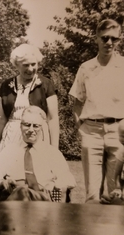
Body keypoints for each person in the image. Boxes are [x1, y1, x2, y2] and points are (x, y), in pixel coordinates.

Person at [69, 19, 124, 203]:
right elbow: (77, 101)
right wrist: (81, 129)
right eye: (105, 38)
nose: (109, 43)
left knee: (115, 195)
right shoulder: (86, 68)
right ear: (96, 39)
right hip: (91, 132)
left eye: (114, 39)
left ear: (119, 40)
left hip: (118, 132)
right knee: (92, 195)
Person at [0, 43, 59, 161]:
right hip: (11, 138)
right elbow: (1, 119)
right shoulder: (6, 86)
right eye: (26, 65)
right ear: (17, 65)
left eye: (33, 64)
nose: (30, 69)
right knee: (9, 176)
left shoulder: (46, 84)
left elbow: (52, 119)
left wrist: (54, 150)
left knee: (36, 174)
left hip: (37, 137)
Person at [0, 106, 76, 202]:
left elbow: (68, 179)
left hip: (44, 202)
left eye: (36, 126)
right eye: (27, 125)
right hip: (14, 201)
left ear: (42, 128)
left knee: (25, 193)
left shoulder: (52, 152)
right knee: (22, 192)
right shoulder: (9, 150)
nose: (31, 130)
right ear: (20, 126)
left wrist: (57, 186)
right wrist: (2, 183)